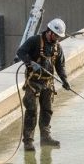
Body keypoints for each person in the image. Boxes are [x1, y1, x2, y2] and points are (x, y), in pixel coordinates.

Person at [16, 18, 71, 151]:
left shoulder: (57, 47)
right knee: (32, 111)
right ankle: (28, 141)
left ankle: (45, 138)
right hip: (33, 82)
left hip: (47, 83)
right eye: (56, 36)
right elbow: (20, 52)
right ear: (49, 32)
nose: (57, 39)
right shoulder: (35, 41)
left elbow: (60, 65)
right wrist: (30, 62)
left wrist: (64, 80)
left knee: (47, 111)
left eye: (59, 37)